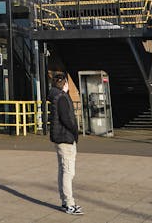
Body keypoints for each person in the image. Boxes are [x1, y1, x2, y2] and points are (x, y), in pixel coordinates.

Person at [48, 73, 83, 215]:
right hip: (65, 138)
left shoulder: (55, 96)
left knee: (63, 170)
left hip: (60, 137)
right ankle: (69, 203)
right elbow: (67, 118)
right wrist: (75, 132)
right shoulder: (62, 97)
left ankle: (65, 201)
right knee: (68, 171)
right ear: (64, 84)